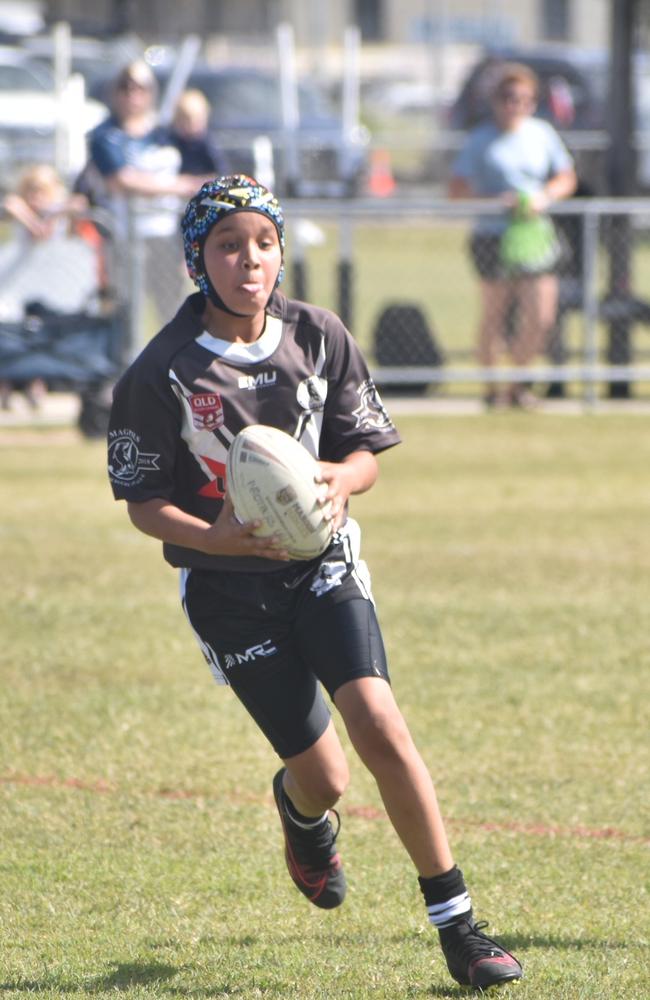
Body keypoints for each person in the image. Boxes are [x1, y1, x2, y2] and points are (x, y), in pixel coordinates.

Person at [106, 174, 523, 992]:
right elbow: (144, 506)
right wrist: (216, 535)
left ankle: (461, 929)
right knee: (325, 779)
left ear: (283, 253)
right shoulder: (160, 372)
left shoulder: (320, 336)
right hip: (228, 592)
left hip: (324, 566)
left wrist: (341, 478)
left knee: (380, 723)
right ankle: (303, 819)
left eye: (262, 242)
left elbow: (363, 453)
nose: (248, 260)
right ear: (198, 260)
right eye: (227, 245)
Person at [449, 62, 577, 408]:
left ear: (533, 102)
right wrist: (496, 202)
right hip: (493, 236)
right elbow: (457, 189)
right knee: (495, 313)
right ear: (495, 101)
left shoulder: (542, 134)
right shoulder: (480, 140)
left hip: (534, 235)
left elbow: (566, 177)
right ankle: (492, 390)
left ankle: (518, 385)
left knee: (541, 315)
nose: (514, 104)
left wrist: (544, 197)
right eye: (507, 97)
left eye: (523, 98)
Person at [87, 60, 201, 319]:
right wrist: (178, 186)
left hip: (165, 234)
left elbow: (202, 160)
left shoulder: (165, 133)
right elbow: (120, 180)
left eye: (140, 87)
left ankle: (174, 360)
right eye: (125, 88)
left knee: (173, 310)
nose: (132, 94)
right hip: (125, 235)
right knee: (126, 313)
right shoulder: (106, 135)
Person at [0, 164, 96, 410]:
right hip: (17, 283)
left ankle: (36, 381)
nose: (36, 196)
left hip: (53, 286)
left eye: (42, 190)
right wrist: (33, 221)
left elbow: (78, 203)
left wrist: (52, 214)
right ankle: (7, 383)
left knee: (43, 330)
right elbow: (11, 203)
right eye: (31, 190)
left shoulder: (60, 211)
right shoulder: (21, 210)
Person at [169, 88, 229, 180]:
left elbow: (221, 173)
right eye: (186, 120)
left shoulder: (206, 144)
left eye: (197, 120)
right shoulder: (170, 141)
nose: (192, 125)